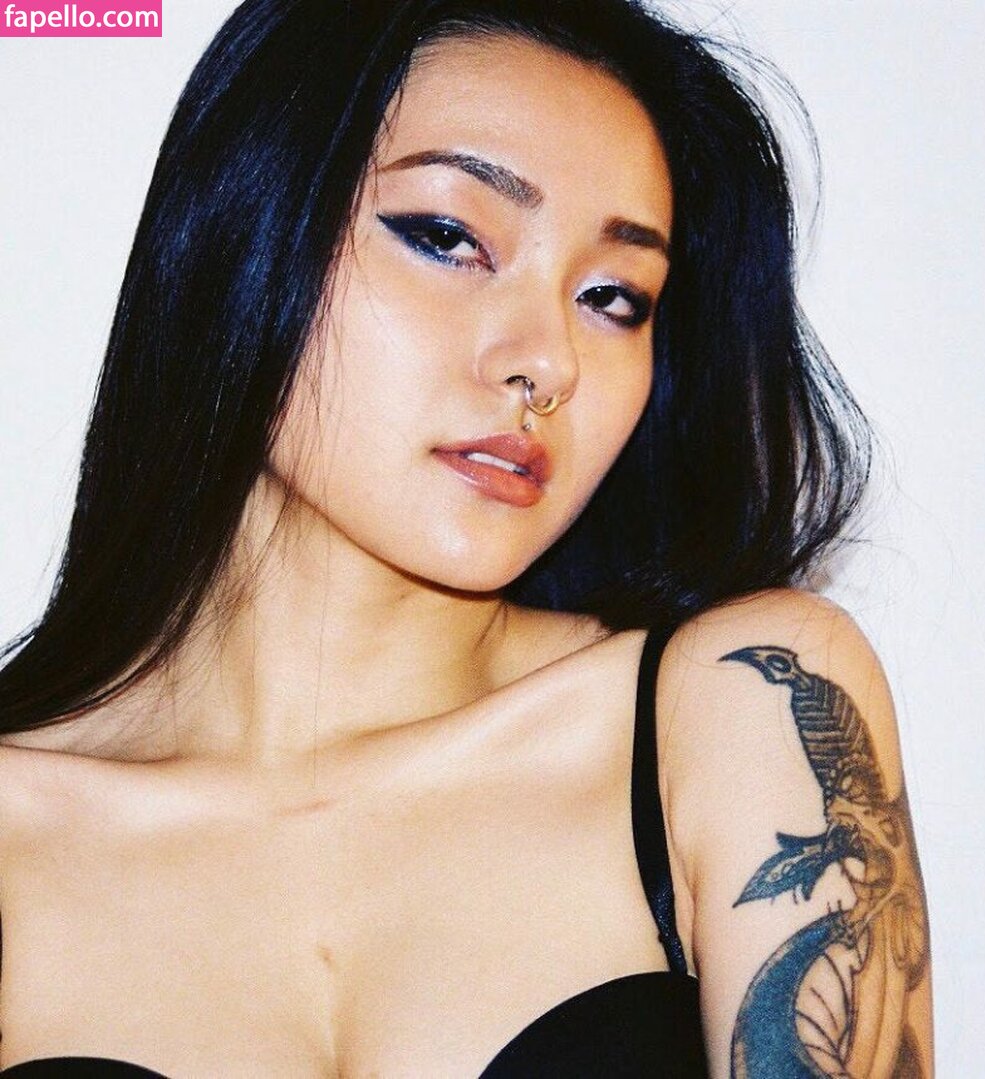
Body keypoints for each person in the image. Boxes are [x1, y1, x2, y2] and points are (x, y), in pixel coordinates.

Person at [0, 0, 933, 1074]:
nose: (549, 360)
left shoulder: (733, 705)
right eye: (449, 238)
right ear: (243, 233)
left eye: (613, 297)